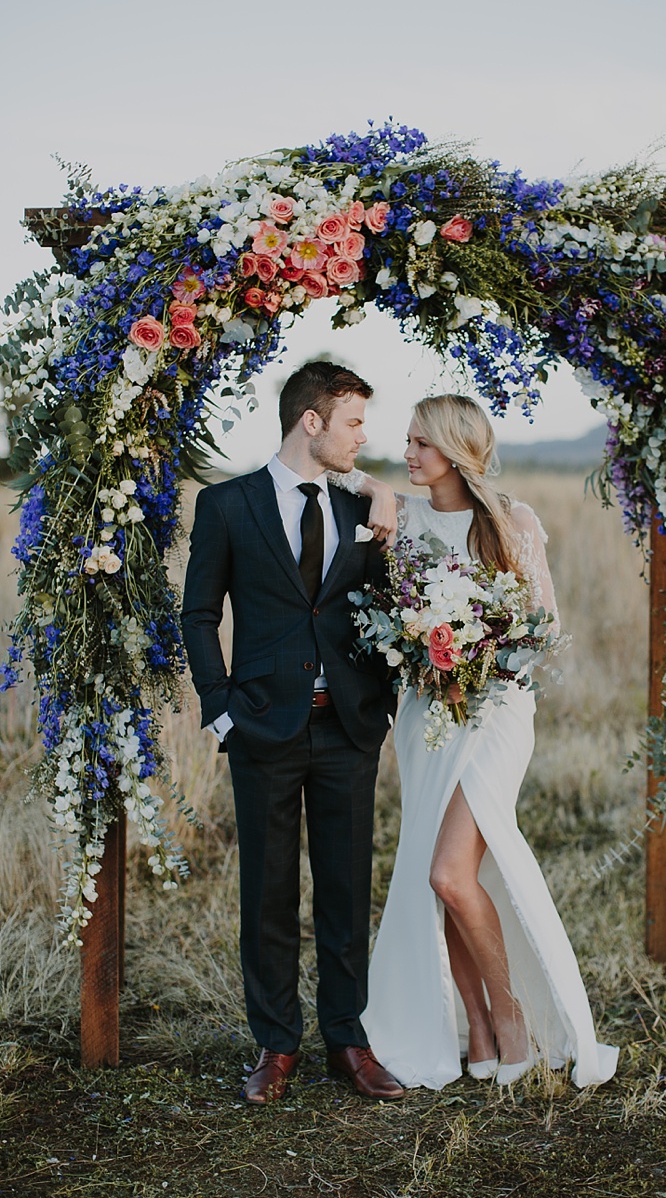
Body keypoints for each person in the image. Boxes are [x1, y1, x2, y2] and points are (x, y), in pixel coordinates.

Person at [340, 393, 618, 1089]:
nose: (408, 454)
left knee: (448, 872)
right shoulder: (401, 521)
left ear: (458, 451)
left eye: (422, 445)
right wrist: (374, 488)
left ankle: (512, 1012)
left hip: (495, 717)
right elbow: (345, 484)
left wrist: (477, 651)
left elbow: (544, 626)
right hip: (425, 719)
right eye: (405, 442)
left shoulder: (510, 521)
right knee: (445, 878)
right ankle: (480, 1029)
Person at [181, 361, 403, 1104]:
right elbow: (200, 613)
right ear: (311, 420)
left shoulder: (362, 505)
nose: (362, 438)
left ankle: (348, 1040)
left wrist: (384, 703)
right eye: (352, 423)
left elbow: (385, 608)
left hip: (346, 728)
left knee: (345, 890)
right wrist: (220, 707)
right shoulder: (227, 505)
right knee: (268, 893)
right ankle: (277, 1045)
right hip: (263, 729)